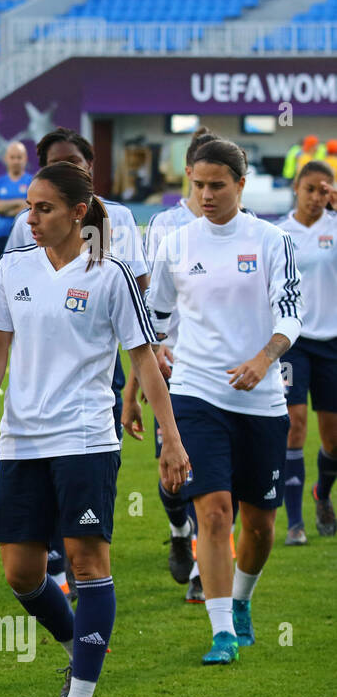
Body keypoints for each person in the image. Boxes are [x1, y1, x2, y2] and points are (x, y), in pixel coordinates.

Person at [0, 161, 190, 697]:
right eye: (28, 207)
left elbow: (143, 358)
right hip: (22, 440)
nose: (32, 218)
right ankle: (77, 643)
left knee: (87, 561)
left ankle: (82, 696)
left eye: (43, 208)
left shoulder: (111, 274)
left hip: (86, 436)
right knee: (20, 572)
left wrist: (170, 438)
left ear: (77, 211)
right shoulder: (12, 268)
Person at [147, 138, 301, 666]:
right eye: (198, 185)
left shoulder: (271, 240)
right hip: (195, 392)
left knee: (259, 525)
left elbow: (290, 315)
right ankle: (220, 633)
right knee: (213, 512)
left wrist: (264, 358)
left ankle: (241, 600)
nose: (206, 195)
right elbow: (154, 321)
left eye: (217, 185)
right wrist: (143, 373)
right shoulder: (176, 242)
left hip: (260, 399)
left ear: (241, 183)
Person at [3, 128, 150, 601]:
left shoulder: (120, 221)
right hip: (38, 381)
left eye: (78, 162)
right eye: (60, 162)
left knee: (92, 466)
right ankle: (59, 554)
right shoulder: (27, 232)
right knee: (24, 553)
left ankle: (80, 550)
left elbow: (137, 285)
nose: (74, 169)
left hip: (104, 358)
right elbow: (16, 296)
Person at [123, 126, 219, 599]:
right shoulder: (164, 226)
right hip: (169, 367)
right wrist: (134, 382)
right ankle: (180, 532)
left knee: (214, 476)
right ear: (188, 173)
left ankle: (205, 568)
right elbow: (144, 305)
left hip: (219, 371)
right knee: (174, 475)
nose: (208, 189)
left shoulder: (244, 229)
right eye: (201, 178)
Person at [278, 160, 337, 544]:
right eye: (310, 188)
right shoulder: (279, 232)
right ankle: (294, 523)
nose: (316, 197)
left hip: (332, 343)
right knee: (294, 423)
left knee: (332, 440)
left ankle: (322, 495)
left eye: (324, 189)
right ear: (296, 188)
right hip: (293, 341)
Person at [0, 141, 31, 273]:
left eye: (19, 157)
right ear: (6, 159)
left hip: (25, 237)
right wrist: (19, 202)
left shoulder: (32, 182)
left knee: (23, 275)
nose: (16, 161)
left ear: (25, 159)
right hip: (1, 235)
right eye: (12, 157)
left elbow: (30, 206)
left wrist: (4, 207)